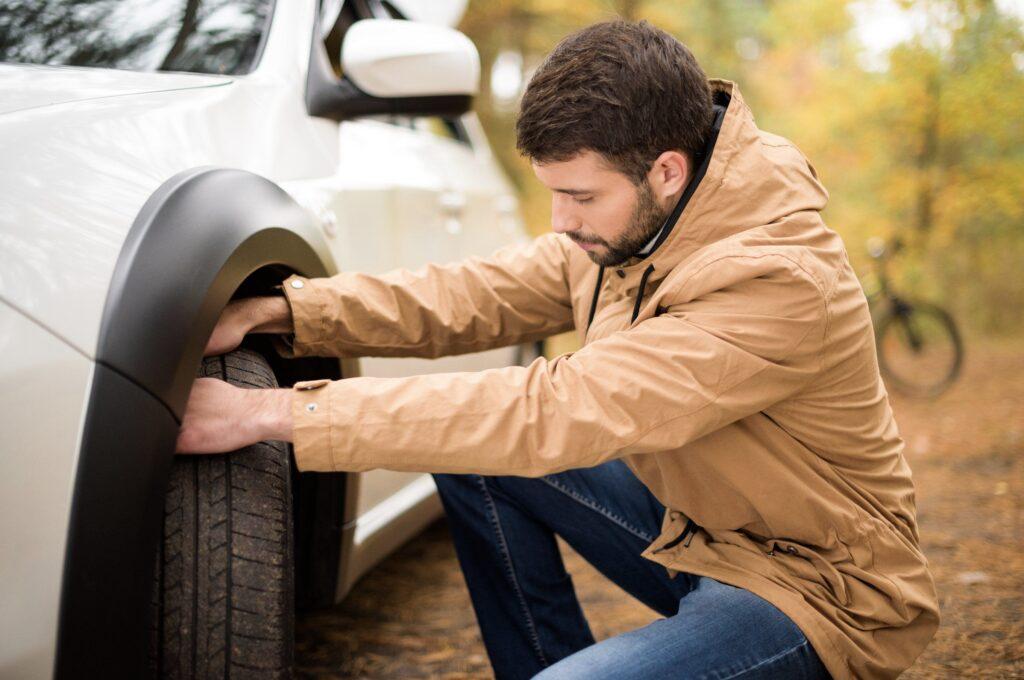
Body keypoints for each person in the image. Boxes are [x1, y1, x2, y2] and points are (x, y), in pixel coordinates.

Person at [175, 19, 939, 680]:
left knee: (505, 427)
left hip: (811, 585)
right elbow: (475, 294)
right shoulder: (638, 223)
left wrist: (270, 413)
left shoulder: (779, 278)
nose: (560, 220)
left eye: (578, 196)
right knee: (470, 451)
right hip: (696, 527)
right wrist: (284, 311)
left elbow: (560, 408)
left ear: (665, 172)